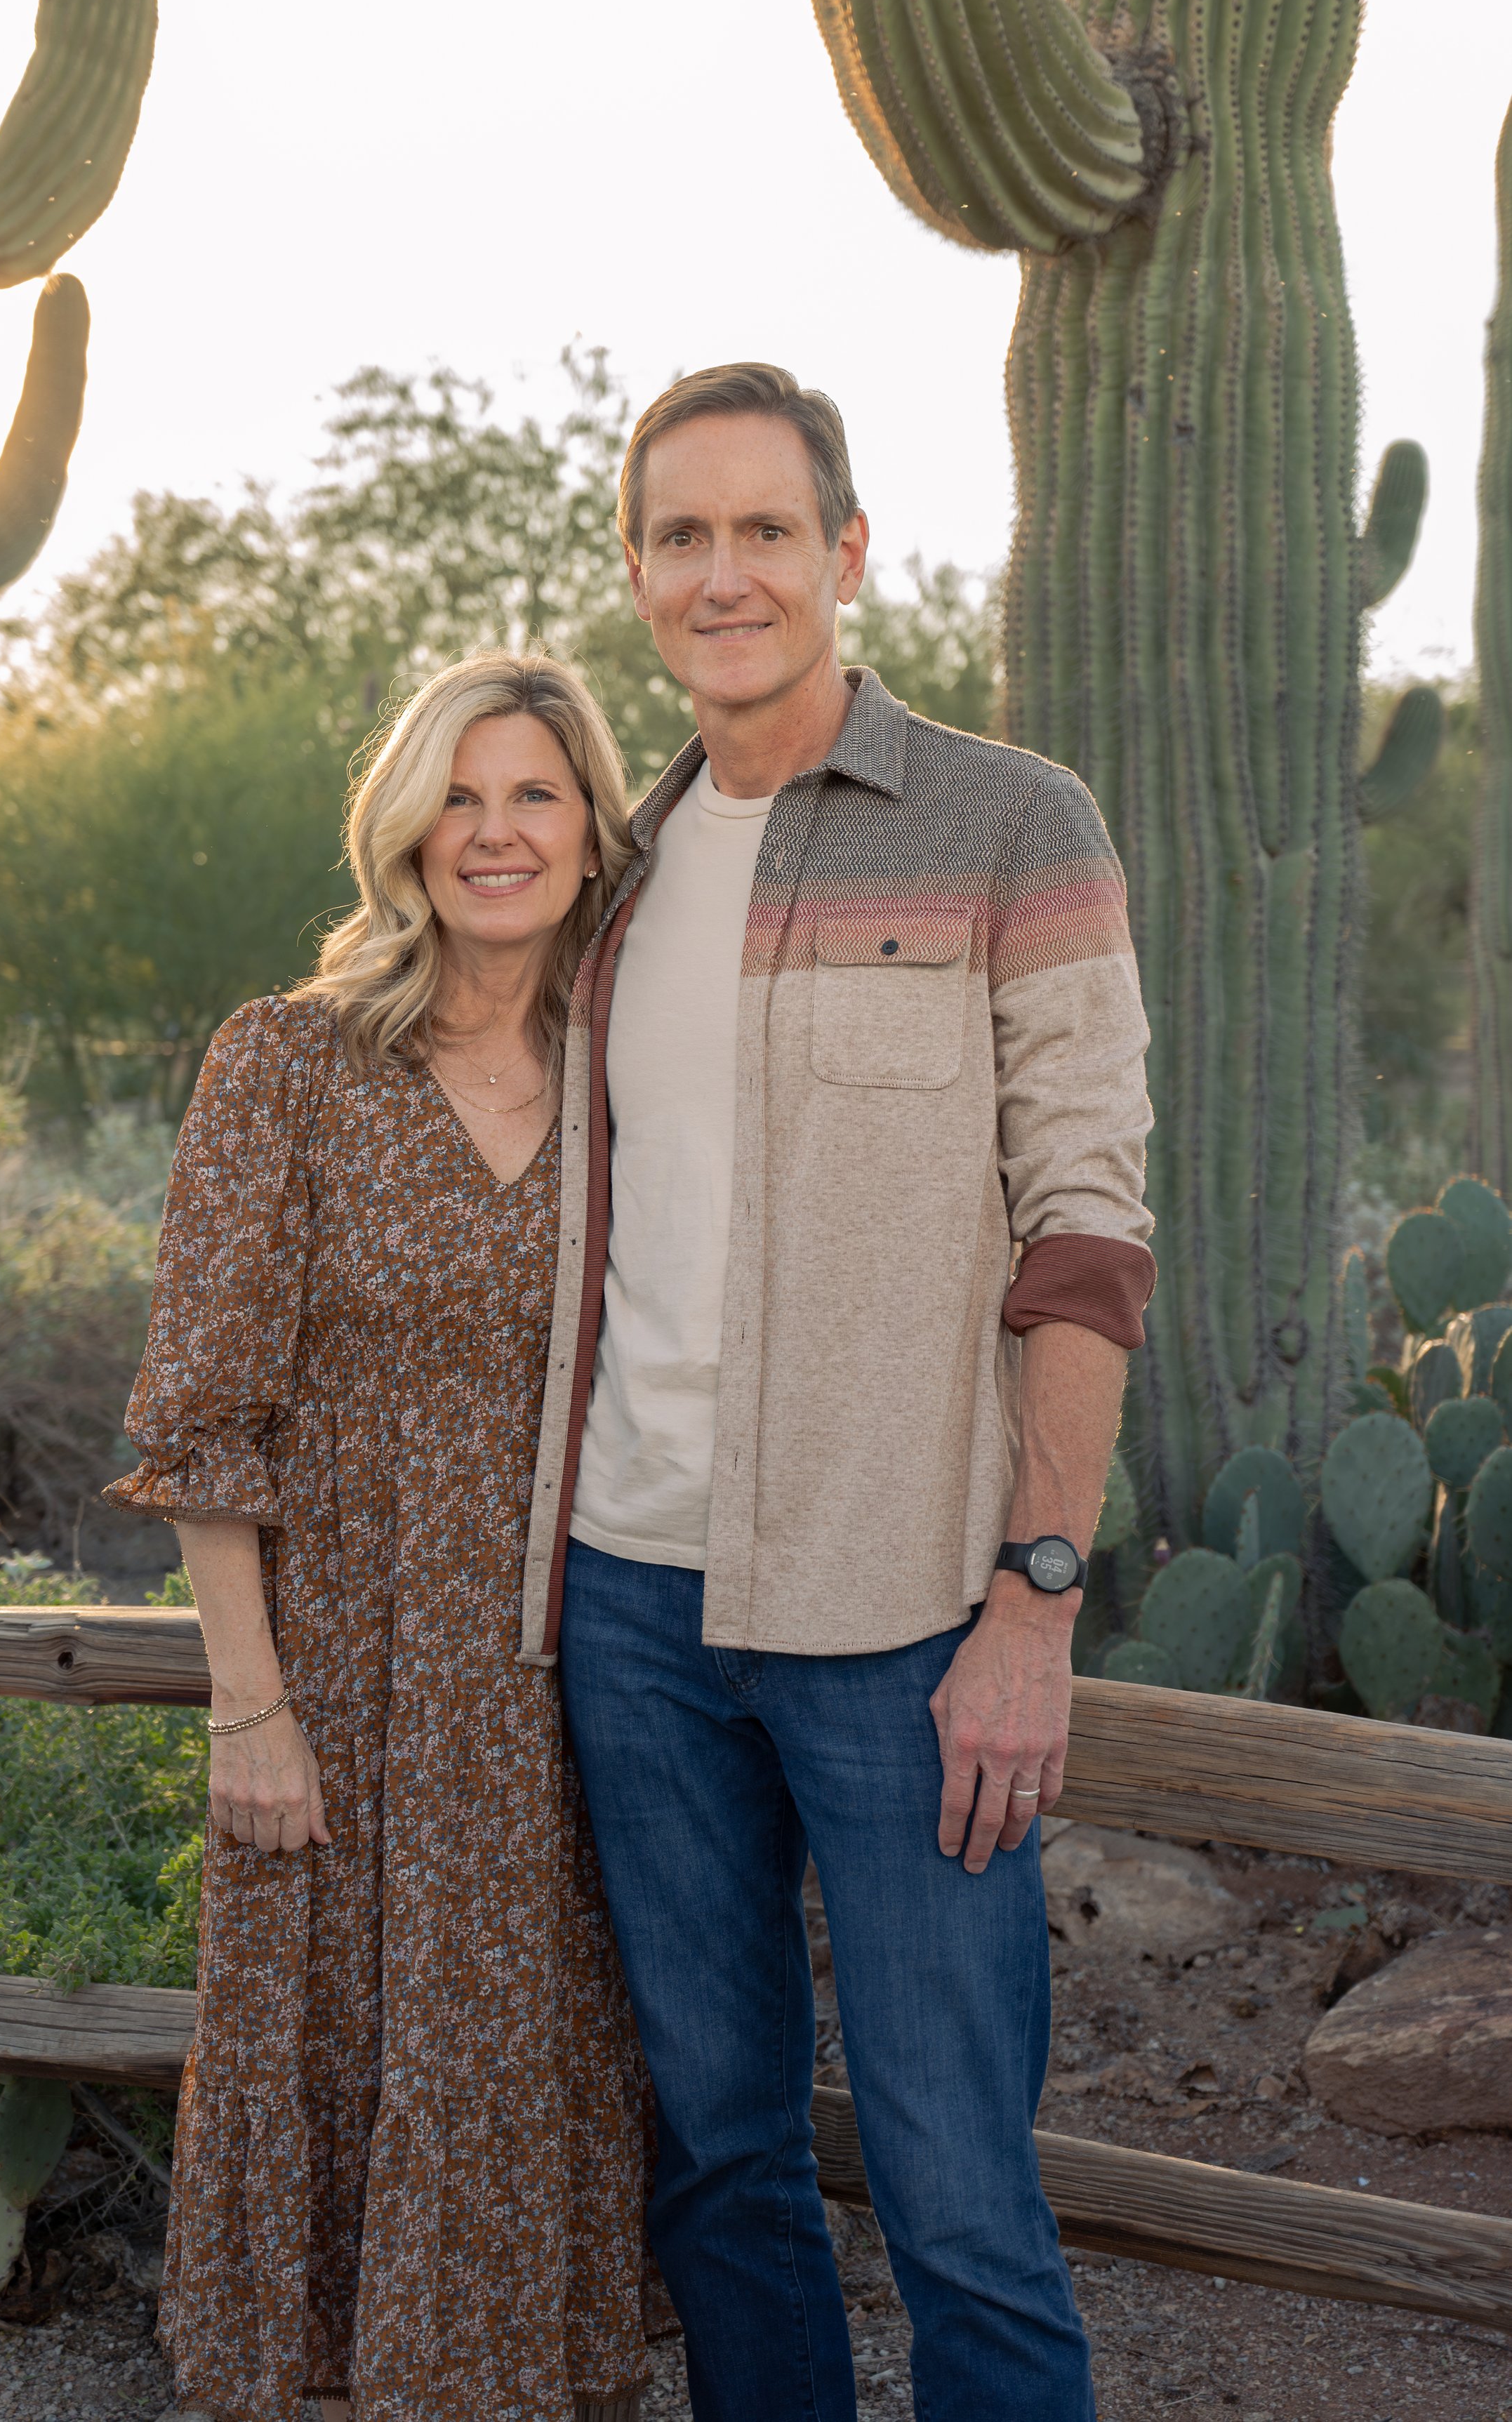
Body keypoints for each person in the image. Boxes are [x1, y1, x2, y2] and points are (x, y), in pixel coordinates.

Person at [517, 365, 1157, 2421]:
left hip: (903, 1620)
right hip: (630, 1606)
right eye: (681, 536)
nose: (726, 573)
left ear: (846, 552)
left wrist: (1031, 1604)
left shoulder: (1004, 821)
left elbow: (1085, 1231)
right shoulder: (601, 878)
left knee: (960, 2192)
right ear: (635, 573)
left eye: (765, 529)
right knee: (715, 2162)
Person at [107, 654, 653, 2422]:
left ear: (590, 832)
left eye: (535, 797)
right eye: (461, 796)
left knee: (535, 2053)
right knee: (327, 2045)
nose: (494, 834)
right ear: (405, 829)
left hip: (576, 1669)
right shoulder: (287, 1061)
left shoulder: (637, 1075)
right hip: (334, 1659)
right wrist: (248, 1704)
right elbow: (203, 1408)